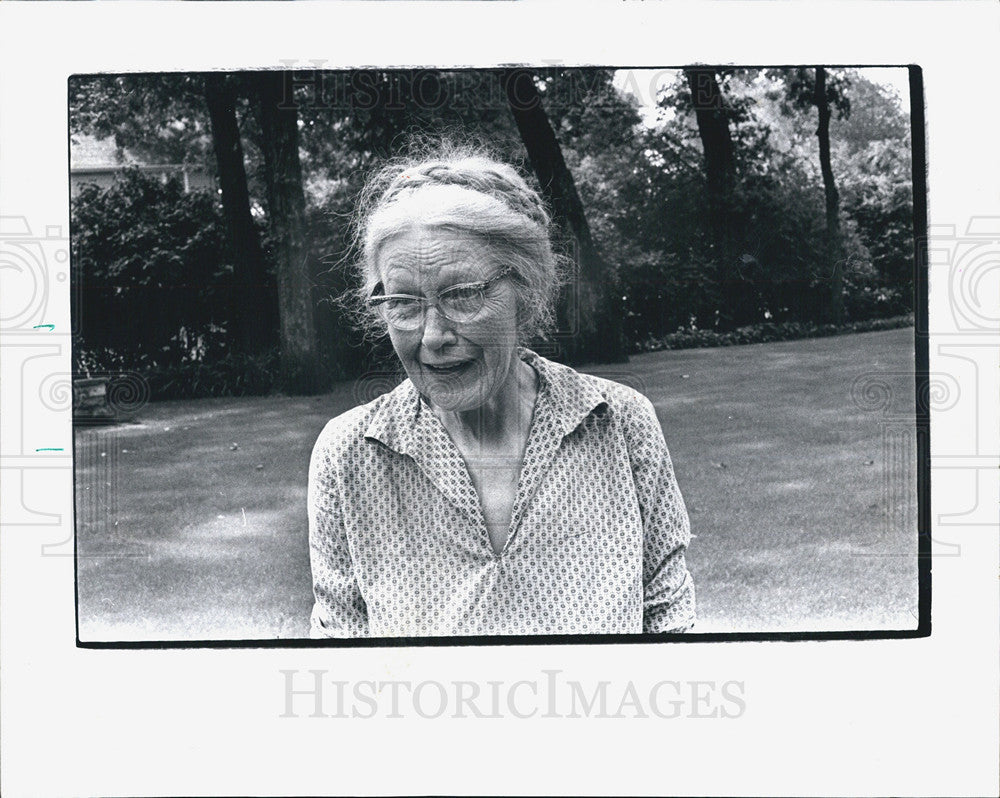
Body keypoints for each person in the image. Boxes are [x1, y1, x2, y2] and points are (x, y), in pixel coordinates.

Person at [308, 147, 694, 637]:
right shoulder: (349, 455)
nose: (432, 336)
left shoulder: (618, 422)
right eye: (403, 302)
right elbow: (342, 656)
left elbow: (671, 625)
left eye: (463, 294)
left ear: (526, 290)